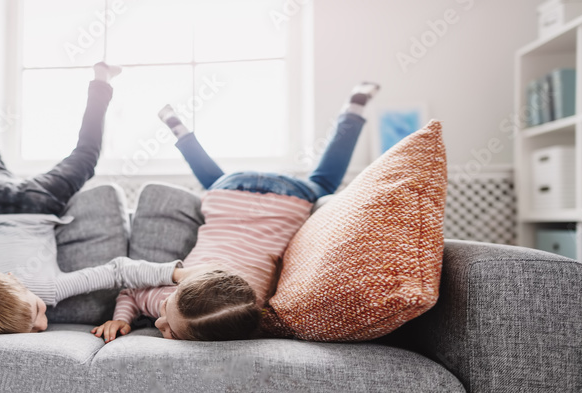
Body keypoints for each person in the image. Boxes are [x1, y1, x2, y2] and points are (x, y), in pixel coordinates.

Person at [0, 36, 204, 334]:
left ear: (12, 280)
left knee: (86, 155)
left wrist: (178, 274)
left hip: (39, 203)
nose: (42, 323)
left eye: (36, 311)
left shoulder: (46, 288)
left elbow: (118, 271)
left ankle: (102, 79)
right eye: (33, 327)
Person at [91, 82, 380, 342]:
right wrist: (122, 317)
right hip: (229, 190)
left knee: (323, 181)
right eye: (169, 326)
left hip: (286, 197)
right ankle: (180, 130)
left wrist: (121, 318)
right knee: (214, 185)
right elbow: (131, 291)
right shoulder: (183, 304)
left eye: (169, 326)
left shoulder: (200, 308)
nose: (158, 320)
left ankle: (354, 109)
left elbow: (130, 290)